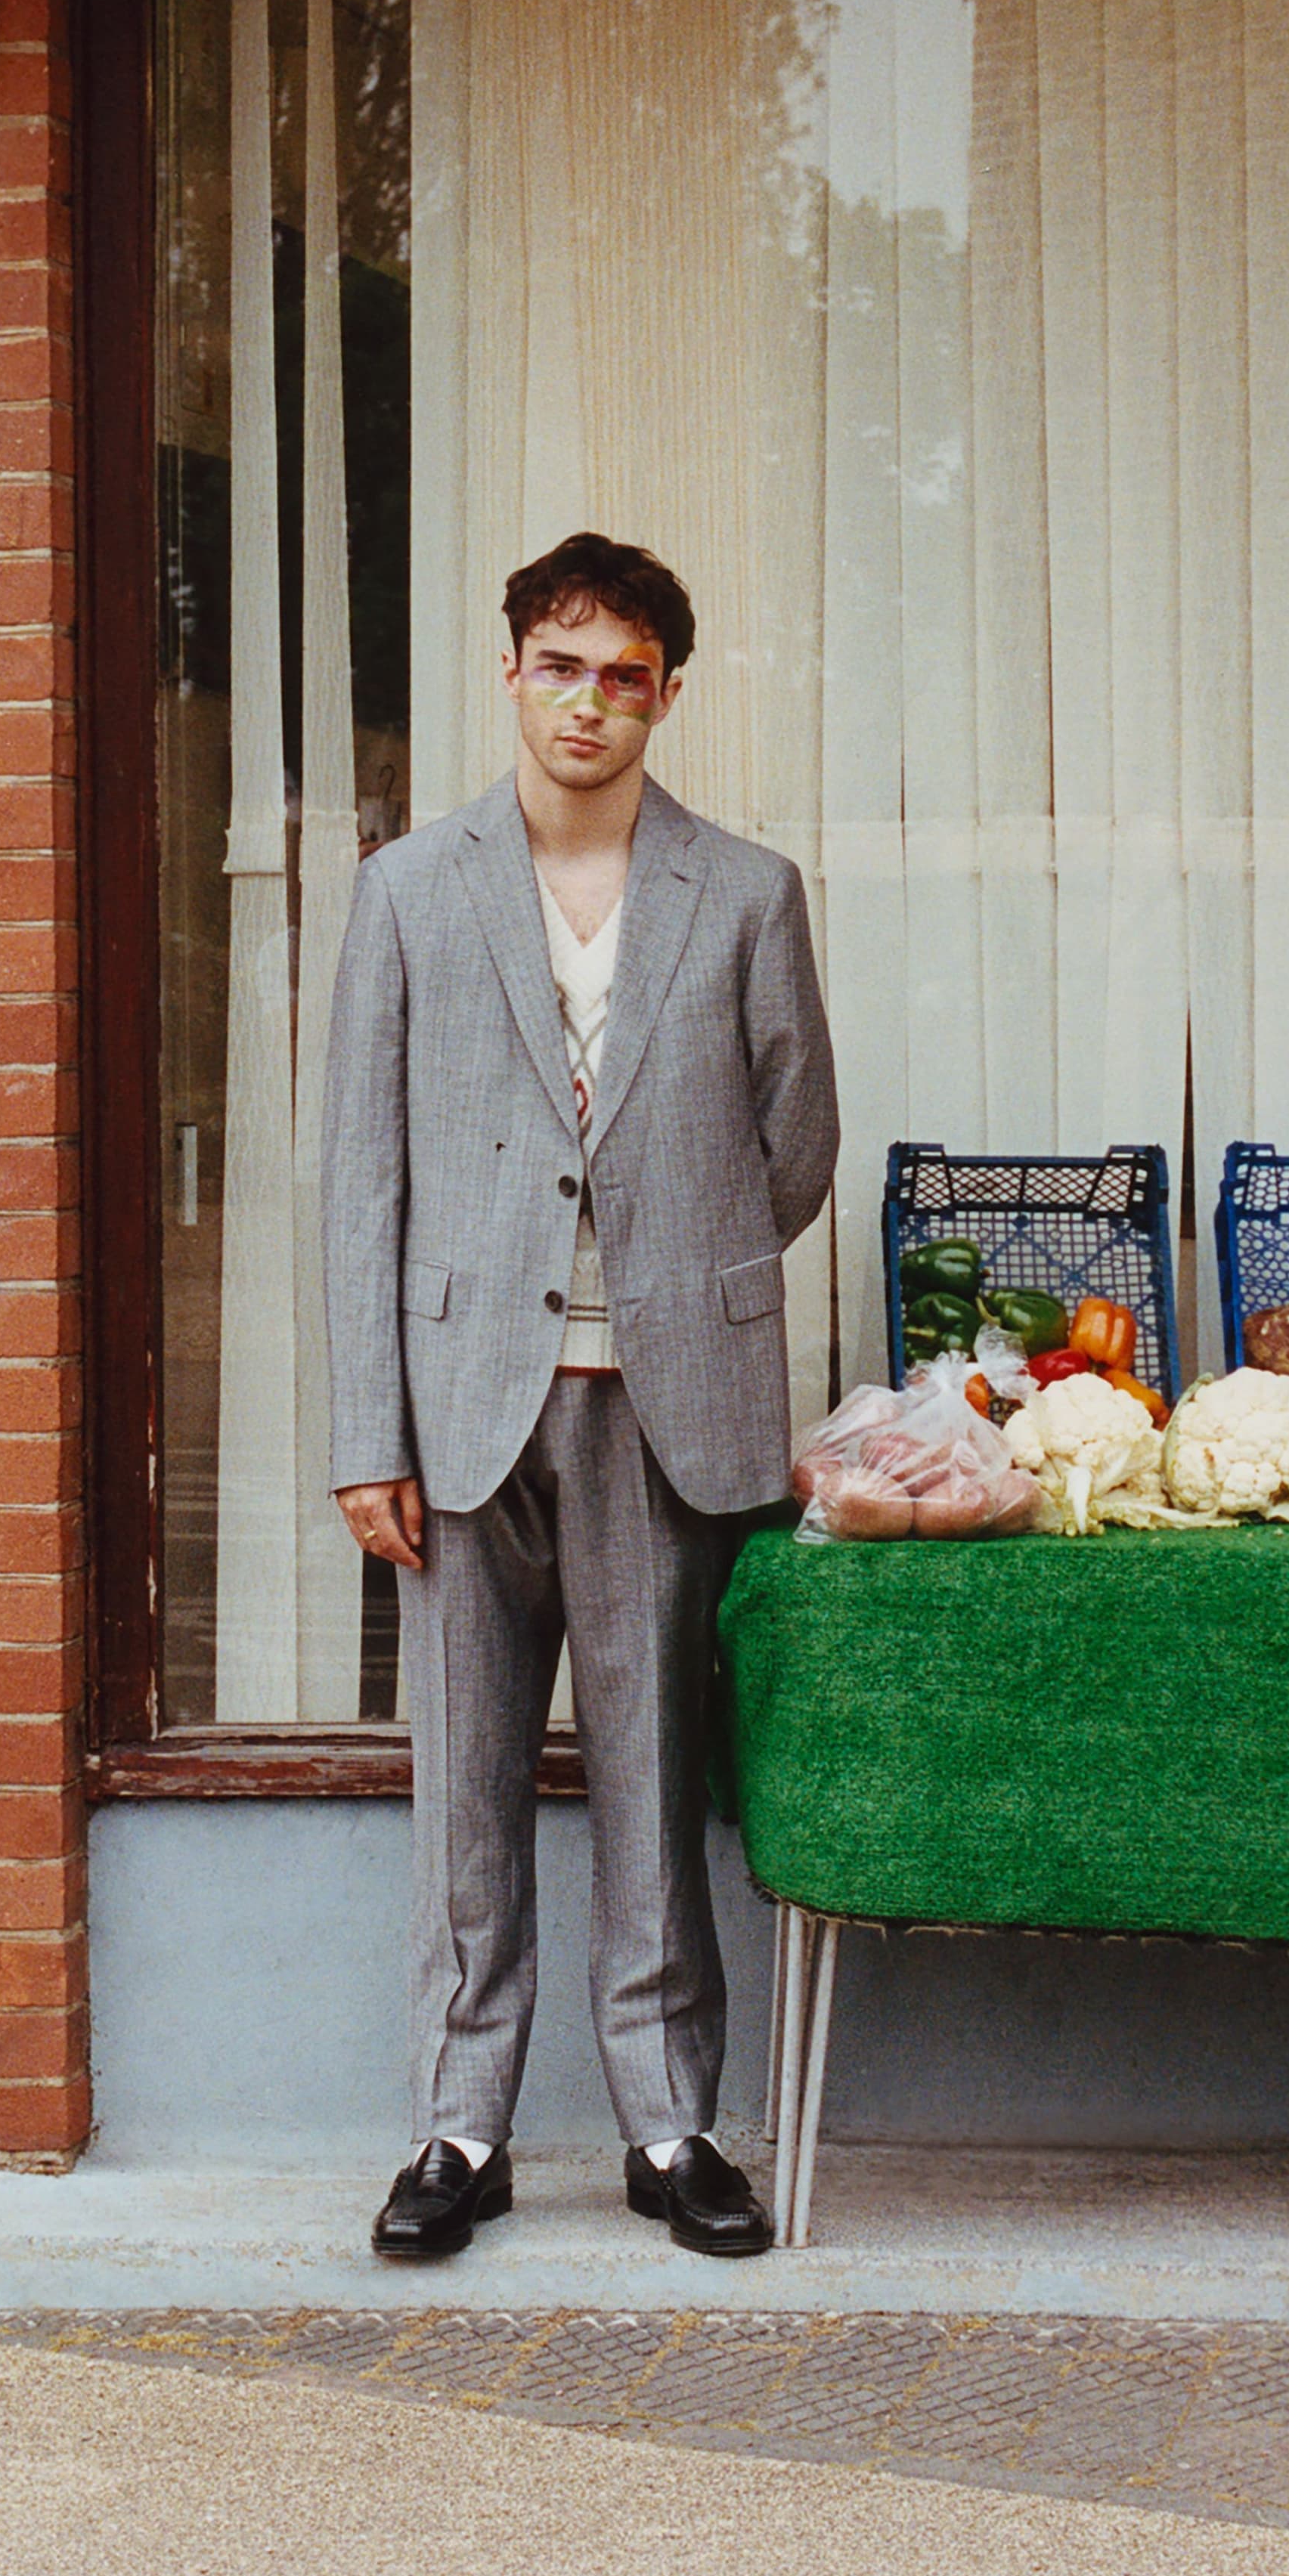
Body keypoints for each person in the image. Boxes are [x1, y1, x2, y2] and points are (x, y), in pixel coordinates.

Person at [322, 532, 840, 2265]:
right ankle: (458, 2122)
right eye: (562, 664)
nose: (591, 702)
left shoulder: (747, 891)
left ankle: (670, 2116)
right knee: (464, 1782)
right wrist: (363, 1438)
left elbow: (796, 1145)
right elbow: (361, 1182)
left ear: (668, 695)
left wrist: (673, 1264)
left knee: (650, 1768)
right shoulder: (410, 890)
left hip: (664, 1399)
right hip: (465, 1402)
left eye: (627, 674)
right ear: (511, 674)